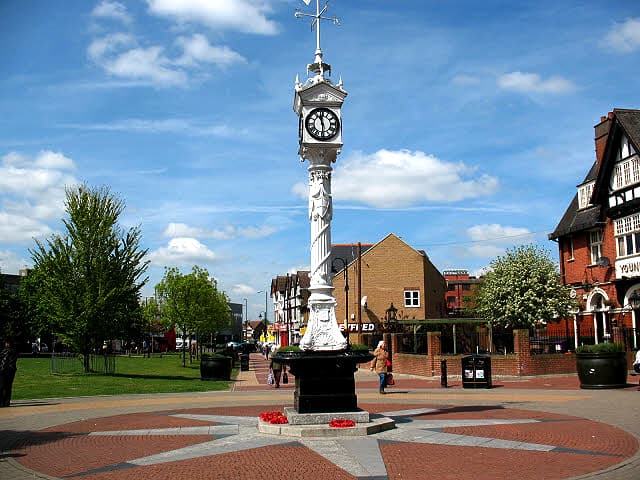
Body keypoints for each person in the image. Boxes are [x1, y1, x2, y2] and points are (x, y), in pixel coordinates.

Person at [0, 338, 18, 407]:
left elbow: (10, 362)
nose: (6, 344)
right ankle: (4, 402)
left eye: (7, 343)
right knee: (5, 387)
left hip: (6, 371)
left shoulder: (10, 351)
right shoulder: (5, 351)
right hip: (6, 371)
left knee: (4, 387)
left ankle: (4, 402)